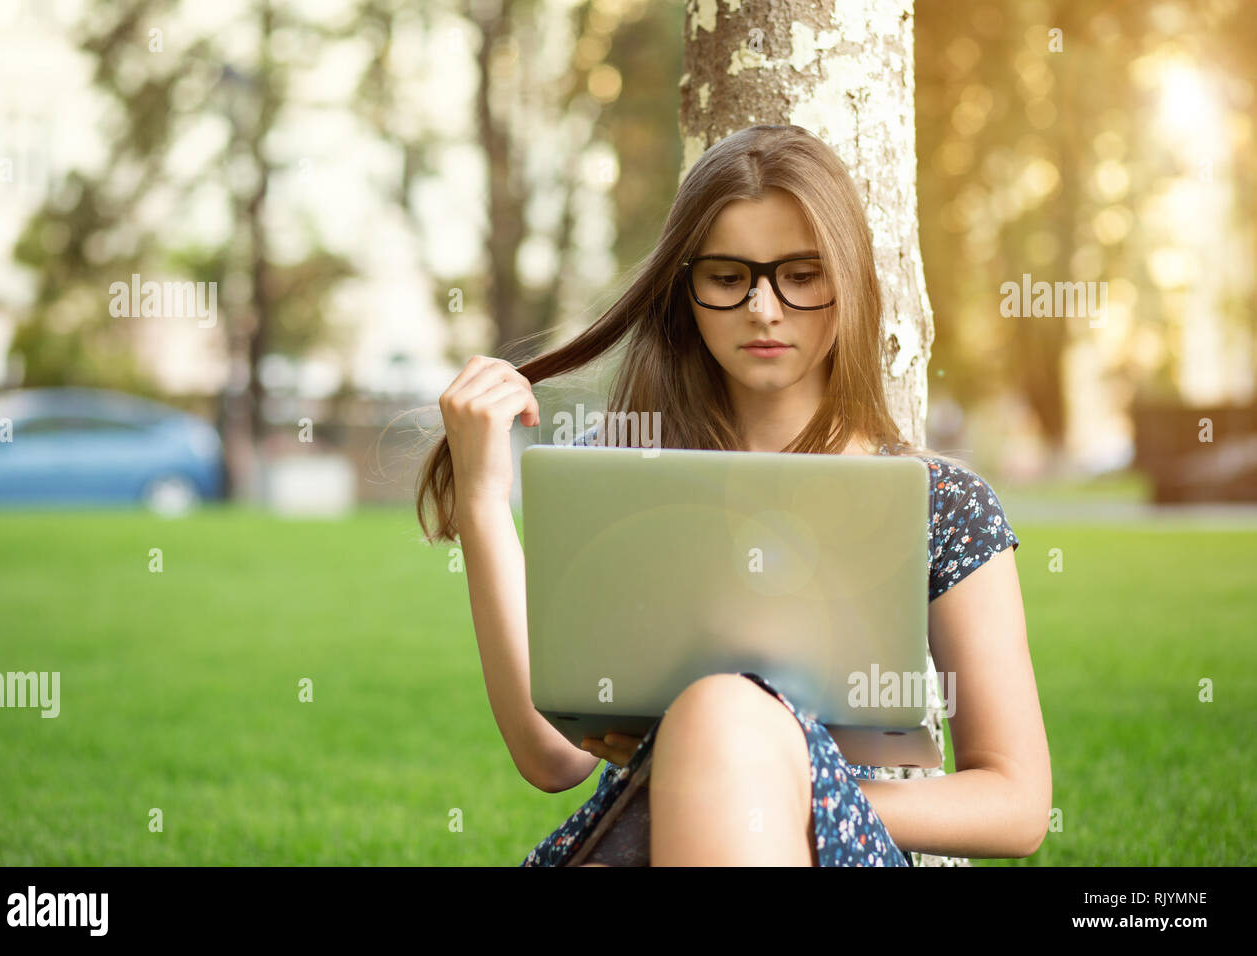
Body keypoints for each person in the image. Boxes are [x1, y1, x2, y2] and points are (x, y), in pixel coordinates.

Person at [415, 124, 1051, 866]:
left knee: (723, 716)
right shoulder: (618, 481)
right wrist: (486, 503)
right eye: (727, 277)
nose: (764, 308)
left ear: (849, 281)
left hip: (830, 842)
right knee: (717, 717)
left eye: (801, 274)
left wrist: (772, 779)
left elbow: (1016, 803)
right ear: (685, 292)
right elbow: (554, 759)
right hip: (642, 842)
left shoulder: (943, 502)